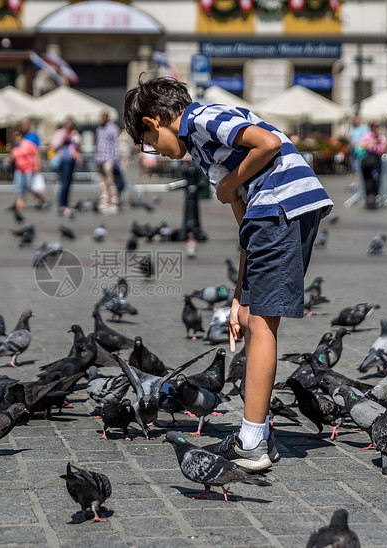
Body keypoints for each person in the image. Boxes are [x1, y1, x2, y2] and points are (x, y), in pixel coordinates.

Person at [123, 76, 332, 471]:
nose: (159, 154)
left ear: (154, 121)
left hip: (280, 207)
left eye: (151, 144)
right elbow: (245, 226)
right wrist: (239, 297)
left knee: (264, 325)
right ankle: (261, 431)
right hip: (271, 214)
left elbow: (268, 144)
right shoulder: (204, 150)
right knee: (253, 317)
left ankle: (251, 440)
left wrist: (230, 184)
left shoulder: (203, 118)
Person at [50, 118, 81, 217]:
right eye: (67, 125)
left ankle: (66, 204)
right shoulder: (59, 133)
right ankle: (61, 204)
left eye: (71, 125)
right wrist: (63, 136)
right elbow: (54, 146)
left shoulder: (74, 134)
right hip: (63, 160)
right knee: (64, 183)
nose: (69, 127)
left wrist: (76, 137)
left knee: (68, 183)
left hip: (71, 160)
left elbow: (79, 146)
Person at [10, 129, 45, 211]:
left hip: (29, 168)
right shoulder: (16, 147)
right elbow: (13, 157)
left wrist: (38, 164)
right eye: (14, 136)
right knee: (19, 186)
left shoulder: (28, 144)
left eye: (17, 135)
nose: (15, 138)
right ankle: (20, 203)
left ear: (21, 136)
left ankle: (40, 197)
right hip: (19, 169)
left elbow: (36, 153)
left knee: (29, 185)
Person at [95, 111, 121, 214]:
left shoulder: (113, 128)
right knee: (102, 182)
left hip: (109, 158)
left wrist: (115, 159)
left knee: (110, 181)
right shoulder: (99, 128)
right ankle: (104, 201)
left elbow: (116, 144)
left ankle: (113, 201)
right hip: (100, 158)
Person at [358, 123, 387, 209]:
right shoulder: (367, 135)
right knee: (367, 179)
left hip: (376, 160)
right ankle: (368, 196)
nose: (377, 130)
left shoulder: (381, 137)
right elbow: (361, 145)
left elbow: (384, 148)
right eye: (376, 128)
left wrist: (382, 148)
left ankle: (374, 196)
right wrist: (371, 143)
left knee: (376, 179)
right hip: (367, 159)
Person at [348, 115, 369, 192]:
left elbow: (367, 138)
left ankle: (364, 182)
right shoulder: (353, 129)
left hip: (362, 150)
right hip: (354, 150)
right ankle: (355, 182)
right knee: (355, 167)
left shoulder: (365, 128)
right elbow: (350, 138)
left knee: (363, 166)